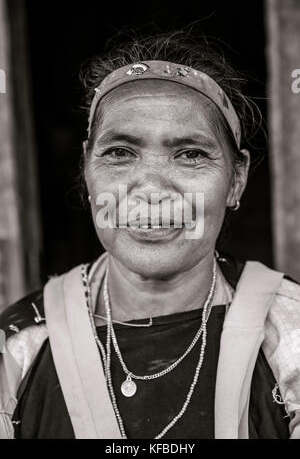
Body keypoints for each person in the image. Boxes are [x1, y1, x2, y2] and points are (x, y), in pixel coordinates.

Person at [1, 31, 300, 440]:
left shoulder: (290, 334)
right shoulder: (18, 347)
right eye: (120, 153)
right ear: (86, 170)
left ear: (237, 180)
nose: (152, 190)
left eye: (191, 153)